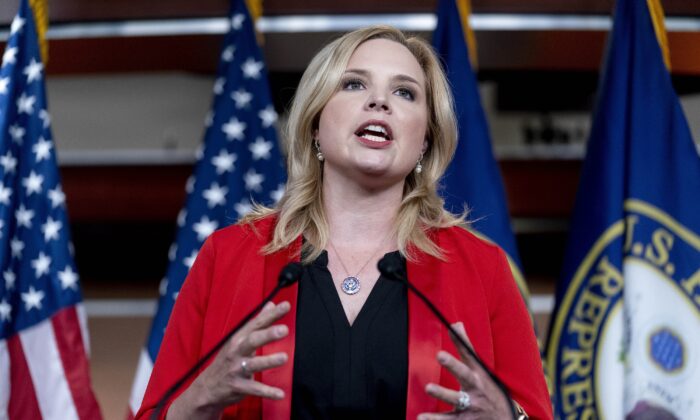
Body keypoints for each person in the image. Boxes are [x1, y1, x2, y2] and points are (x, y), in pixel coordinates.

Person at [136, 25, 552, 420]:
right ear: (316, 123)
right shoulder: (227, 255)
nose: (380, 102)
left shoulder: (482, 266)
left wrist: (508, 416)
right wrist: (197, 401)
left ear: (424, 140)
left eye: (405, 93)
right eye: (354, 84)